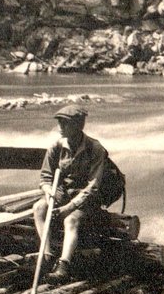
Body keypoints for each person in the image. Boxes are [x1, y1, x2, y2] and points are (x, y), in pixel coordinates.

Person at [34, 104, 109, 284]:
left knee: (71, 220)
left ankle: (64, 265)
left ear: (78, 125)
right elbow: (45, 176)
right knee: (39, 208)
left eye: (65, 123)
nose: (60, 127)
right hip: (61, 193)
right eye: (59, 122)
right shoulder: (57, 147)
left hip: (85, 199)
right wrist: (48, 190)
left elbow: (93, 187)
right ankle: (48, 255)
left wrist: (68, 208)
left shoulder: (95, 149)